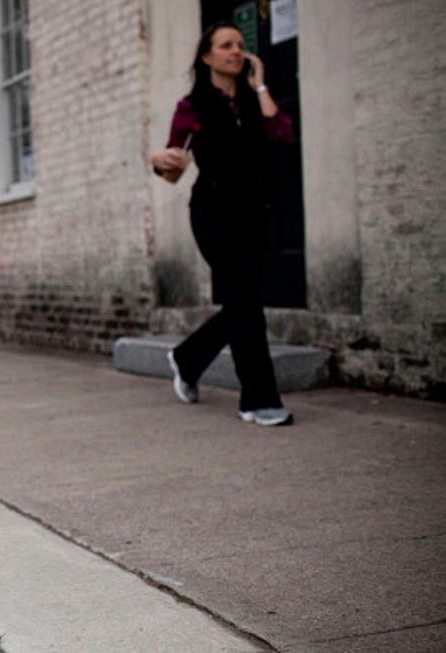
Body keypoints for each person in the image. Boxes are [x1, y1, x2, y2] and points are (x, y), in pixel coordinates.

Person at [150, 21, 294, 427]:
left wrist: (261, 83)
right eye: (226, 45)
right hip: (213, 214)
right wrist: (160, 161)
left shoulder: (253, 100)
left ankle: (187, 358)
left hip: (255, 213)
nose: (236, 51)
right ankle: (259, 400)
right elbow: (173, 166)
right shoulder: (192, 105)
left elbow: (280, 134)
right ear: (207, 56)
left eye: (241, 45)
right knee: (247, 305)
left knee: (243, 301)